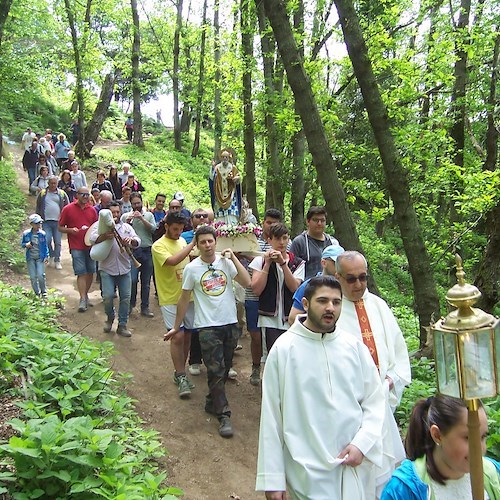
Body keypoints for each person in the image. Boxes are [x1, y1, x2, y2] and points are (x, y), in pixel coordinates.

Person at [256, 276, 385, 499]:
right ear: (305, 304)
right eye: (322, 301)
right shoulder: (285, 349)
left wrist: (362, 444)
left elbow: (374, 400)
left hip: (352, 466)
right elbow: (271, 418)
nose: (330, 308)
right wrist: (273, 479)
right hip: (306, 473)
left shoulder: (353, 347)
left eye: (336, 302)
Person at [335, 250, 412, 494]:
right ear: (337, 278)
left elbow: (398, 353)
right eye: (351, 279)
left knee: (383, 475)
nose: (358, 284)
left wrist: (390, 381)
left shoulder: (379, 306)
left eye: (363, 277)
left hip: (381, 404)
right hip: (348, 407)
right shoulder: (331, 309)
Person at [166, 225, 251, 437]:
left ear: (216, 242)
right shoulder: (192, 269)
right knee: (214, 369)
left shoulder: (225, 262)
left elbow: (247, 282)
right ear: (197, 244)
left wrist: (233, 259)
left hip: (230, 323)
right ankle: (224, 415)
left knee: (223, 368)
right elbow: (184, 298)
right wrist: (176, 326)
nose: (207, 245)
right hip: (206, 326)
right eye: (202, 242)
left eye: (210, 241)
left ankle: (212, 401)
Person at [381, 395, 500, 500]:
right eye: (468, 438)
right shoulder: (403, 490)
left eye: (483, 436)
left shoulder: (494, 475)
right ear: (437, 435)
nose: (478, 449)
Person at [152, 211, 197, 399]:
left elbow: (188, 261)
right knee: (176, 336)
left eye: (181, 229)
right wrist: (193, 244)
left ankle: (181, 371)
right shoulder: (158, 246)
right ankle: (180, 374)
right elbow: (172, 261)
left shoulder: (181, 242)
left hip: (188, 296)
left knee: (187, 336)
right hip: (170, 297)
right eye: (175, 229)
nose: (178, 232)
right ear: (166, 227)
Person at [249, 222, 305, 353]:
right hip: (269, 318)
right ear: (269, 240)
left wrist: (283, 264)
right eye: (277, 238)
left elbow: (294, 288)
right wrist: (267, 265)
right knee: (271, 354)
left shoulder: (298, 262)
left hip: (289, 316)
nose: (282, 242)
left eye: (285, 238)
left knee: (290, 354)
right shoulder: (260, 261)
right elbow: (256, 290)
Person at [244, 208, 284, 386]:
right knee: (255, 335)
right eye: (269, 222)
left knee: (274, 336)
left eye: (275, 223)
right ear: (263, 223)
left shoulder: (285, 244)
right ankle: (255, 367)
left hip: (276, 298)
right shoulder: (252, 241)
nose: (272, 226)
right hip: (253, 295)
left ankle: (274, 372)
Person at [89, 202, 140, 337]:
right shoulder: (99, 226)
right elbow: (91, 239)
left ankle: (122, 325)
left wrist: (131, 242)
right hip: (106, 269)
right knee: (107, 296)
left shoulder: (126, 227)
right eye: (113, 213)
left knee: (125, 298)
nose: (116, 215)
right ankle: (110, 317)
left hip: (125, 269)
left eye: (118, 212)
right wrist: (104, 237)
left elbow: (137, 241)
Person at [180, 208, 211, 376]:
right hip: (194, 284)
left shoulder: (215, 235)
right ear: (191, 220)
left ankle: (221, 362)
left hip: (213, 285)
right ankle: (195, 360)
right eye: (197, 216)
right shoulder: (184, 237)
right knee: (196, 325)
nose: (201, 219)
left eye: (204, 216)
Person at [58, 187, 98, 312]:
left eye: (87, 195)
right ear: (77, 195)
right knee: (81, 272)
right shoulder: (68, 209)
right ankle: (82, 299)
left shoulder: (92, 210)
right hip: (76, 246)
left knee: (91, 271)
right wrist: (70, 230)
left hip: (90, 245)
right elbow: (60, 227)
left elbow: (96, 227)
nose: (85, 197)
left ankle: (85, 295)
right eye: (83, 195)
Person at [288, 244, 345, 324]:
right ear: (323, 263)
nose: (339, 267)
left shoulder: (347, 285)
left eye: (342, 263)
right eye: (335, 263)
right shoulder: (309, 285)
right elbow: (293, 318)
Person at [121, 192, 156, 317]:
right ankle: (131, 305)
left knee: (146, 281)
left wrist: (141, 218)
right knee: (133, 280)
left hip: (147, 250)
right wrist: (129, 221)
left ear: (142, 202)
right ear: (130, 204)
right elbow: (122, 232)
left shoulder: (149, 215)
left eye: (138, 203)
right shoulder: (125, 216)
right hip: (133, 252)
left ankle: (145, 307)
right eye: (134, 204)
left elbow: (153, 229)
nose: (136, 206)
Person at [290, 206, 340, 279]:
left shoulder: (333, 243)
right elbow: (292, 269)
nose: (319, 223)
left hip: (330, 286)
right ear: (308, 221)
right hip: (307, 287)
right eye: (315, 220)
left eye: (322, 220)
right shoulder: (299, 242)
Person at [35, 176, 69, 270]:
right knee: (47, 240)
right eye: (51, 183)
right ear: (48, 183)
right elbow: (38, 206)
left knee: (58, 242)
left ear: (57, 184)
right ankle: (51, 255)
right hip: (46, 221)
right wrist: (38, 220)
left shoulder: (62, 194)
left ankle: (57, 260)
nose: (53, 185)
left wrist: (66, 220)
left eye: (55, 183)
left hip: (58, 222)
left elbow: (67, 207)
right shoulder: (42, 193)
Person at [209, 150, 242, 224]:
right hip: (219, 194)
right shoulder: (217, 168)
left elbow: (238, 178)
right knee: (220, 215)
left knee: (231, 214)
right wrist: (212, 168)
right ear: (221, 158)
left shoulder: (233, 168)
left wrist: (237, 179)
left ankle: (232, 227)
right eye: (223, 157)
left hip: (231, 195)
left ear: (228, 158)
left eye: (226, 157)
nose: (225, 159)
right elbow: (212, 179)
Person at [21, 214, 49, 297]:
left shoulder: (42, 234)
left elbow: (45, 246)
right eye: (36, 223)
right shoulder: (26, 234)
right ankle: (37, 293)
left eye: (39, 223)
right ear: (32, 224)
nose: (38, 225)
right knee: (33, 277)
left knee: (40, 275)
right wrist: (26, 245)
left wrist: (46, 255)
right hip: (30, 258)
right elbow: (22, 244)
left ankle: (44, 292)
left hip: (40, 257)